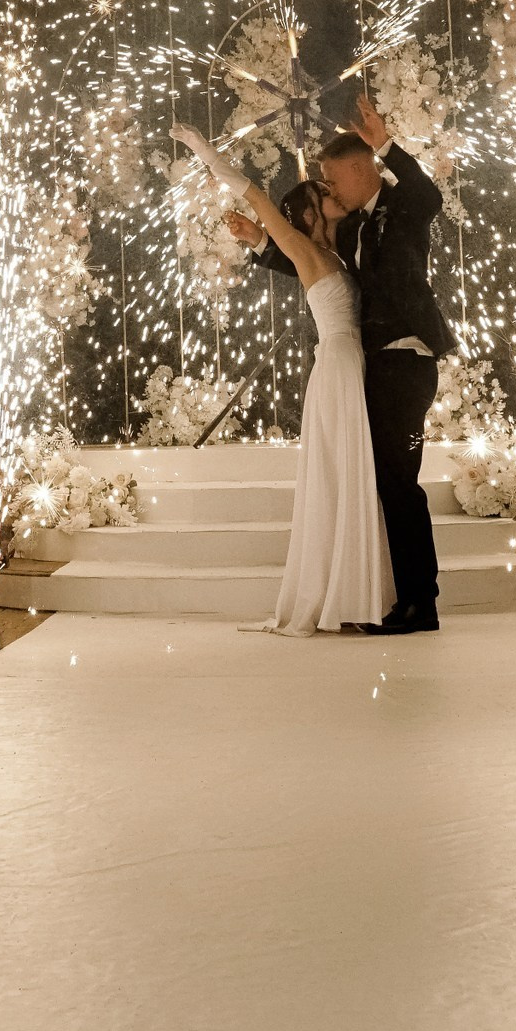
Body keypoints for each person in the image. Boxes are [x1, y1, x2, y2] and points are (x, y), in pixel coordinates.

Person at [227, 92, 450, 635]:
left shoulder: (402, 206)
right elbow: (319, 266)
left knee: (399, 482)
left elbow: (428, 193)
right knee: (387, 481)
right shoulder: (352, 228)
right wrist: (262, 244)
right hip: (375, 367)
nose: (331, 188)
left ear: (358, 168)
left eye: (333, 178)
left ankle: (420, 603)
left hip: (406, 361)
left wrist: (386, 145)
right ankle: (398, 595)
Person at [171, 124, 389, 637]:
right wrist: (204, 151)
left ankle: (352, 590)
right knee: (340, 473)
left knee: (353, 474)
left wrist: (260, 240)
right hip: (338, 366)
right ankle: (338, 594)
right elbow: (253, 194)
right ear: (310, 213)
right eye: (323, 193)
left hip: (351, 362)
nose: (333, 193)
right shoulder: (303, 248)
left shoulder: (333, 253)